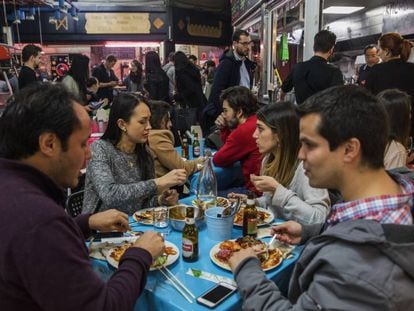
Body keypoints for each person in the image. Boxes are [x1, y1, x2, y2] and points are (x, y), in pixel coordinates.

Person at [228, 85, 414, 310]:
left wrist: (248, 270)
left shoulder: (354, 270)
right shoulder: (397, 191)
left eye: (310, 145)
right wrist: (312, 231)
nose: (300, 154)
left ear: (349, 149)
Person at [0, 82, 165, 310]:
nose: (88, 154)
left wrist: (84, 223)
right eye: (81, 144)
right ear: (49, 144)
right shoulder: (39, 219)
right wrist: (140, 254)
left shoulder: (13, 188)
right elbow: (103, 306)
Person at [83, 93, 187, 215]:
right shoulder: (100, 149)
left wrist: (160, 200)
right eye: (142, 122)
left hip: (133, 226)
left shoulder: (144, 152)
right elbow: (110, 194)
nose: (149, 127)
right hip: (101, 230)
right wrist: (157, 183)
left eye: (149, 121)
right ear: (122, 124)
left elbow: (140, 204)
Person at [231, 102, 330, 224]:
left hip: (300, 239)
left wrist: (277, 190)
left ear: (280, 135)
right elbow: (274, 205)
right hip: (275, 233)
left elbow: (320, 218)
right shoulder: (268, 160)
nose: (254, 135)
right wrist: (254, 202)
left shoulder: (305, 167)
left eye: (260, 129)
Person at [203, 29, 255, 131]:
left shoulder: (247, 64)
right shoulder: (227, 64)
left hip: (241, 115)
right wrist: (225, 115)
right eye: (244, 43)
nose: (248, 47)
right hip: (230, 117)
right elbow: (216, 92)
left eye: (249, 43)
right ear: (235, 44)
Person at [213, 86, 262, 194]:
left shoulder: (244, 130)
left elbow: (219, 159)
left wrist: (224, 128)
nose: (223, 115)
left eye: (226, 111)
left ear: (239, 112)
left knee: (209, 195)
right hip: (263, 188)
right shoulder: (257, 120)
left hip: (255, 193)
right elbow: (231, 149)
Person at [365, 32, 414, 137]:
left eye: (379, 50)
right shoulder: (412, 68)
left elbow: (367, 99)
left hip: (383, 127)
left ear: (387, 52)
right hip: (408, 128)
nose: (377, 53)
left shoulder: (376, 71)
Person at [281, 30, 344, 105]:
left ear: (314, 46)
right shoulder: (334, 72)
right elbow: (339, 101)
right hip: (322, 116)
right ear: (331, 49)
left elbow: (284, 89)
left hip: (300, 115)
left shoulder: (297, 68)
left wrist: (281, 99)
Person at [148, 100, 205, 177]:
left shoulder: (149, 136)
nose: (170, 124)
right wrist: (199, 161)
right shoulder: (157, 137)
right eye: (167, 120)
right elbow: (182, 168)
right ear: (159, 120)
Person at [377, 89, 411, 169]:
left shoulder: (370, 139)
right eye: (409, 113)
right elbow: (394, 180)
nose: (410, 116)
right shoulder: (397, 151)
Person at [174, 51, 207, 120]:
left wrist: (178, 96)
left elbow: (190, 89)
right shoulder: (193, 69)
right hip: (200, 101)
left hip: (190, 104)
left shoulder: (182, 73)